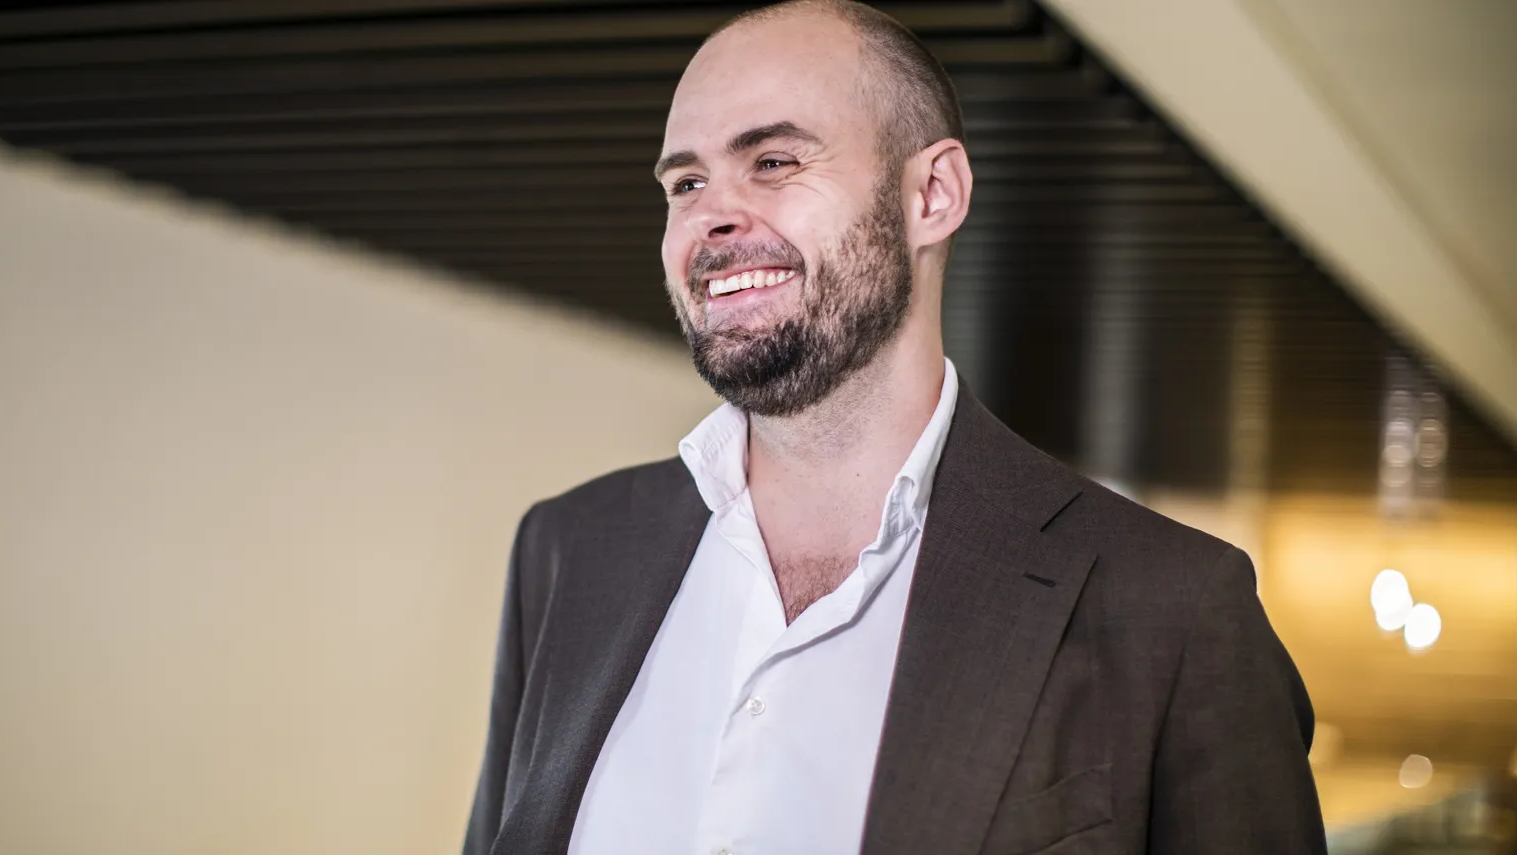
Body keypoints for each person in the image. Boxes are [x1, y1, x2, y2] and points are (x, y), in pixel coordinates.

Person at [463, 1, 1325, 853]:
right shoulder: (566, 550)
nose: (710, 217)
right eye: (685, 183)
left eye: (773, 161)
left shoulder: (1170, 610)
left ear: (932, 194)